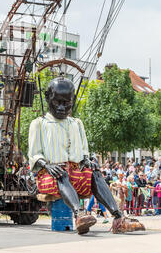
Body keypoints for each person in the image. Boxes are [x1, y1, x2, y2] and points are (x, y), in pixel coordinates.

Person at [28, 77, 145, 235]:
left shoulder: (76, 123)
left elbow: (83, 152)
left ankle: (119, 218)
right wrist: (46, 165)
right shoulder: (39, 124)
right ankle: (79, 215)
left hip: (76, 176)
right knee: (62, 173)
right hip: (51, 176)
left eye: (66, 103)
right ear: (48, 97)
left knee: (95, 173)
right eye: (57, 102)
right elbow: (34, 154)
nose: (62, 108)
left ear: (73, 100)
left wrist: (88, 161)